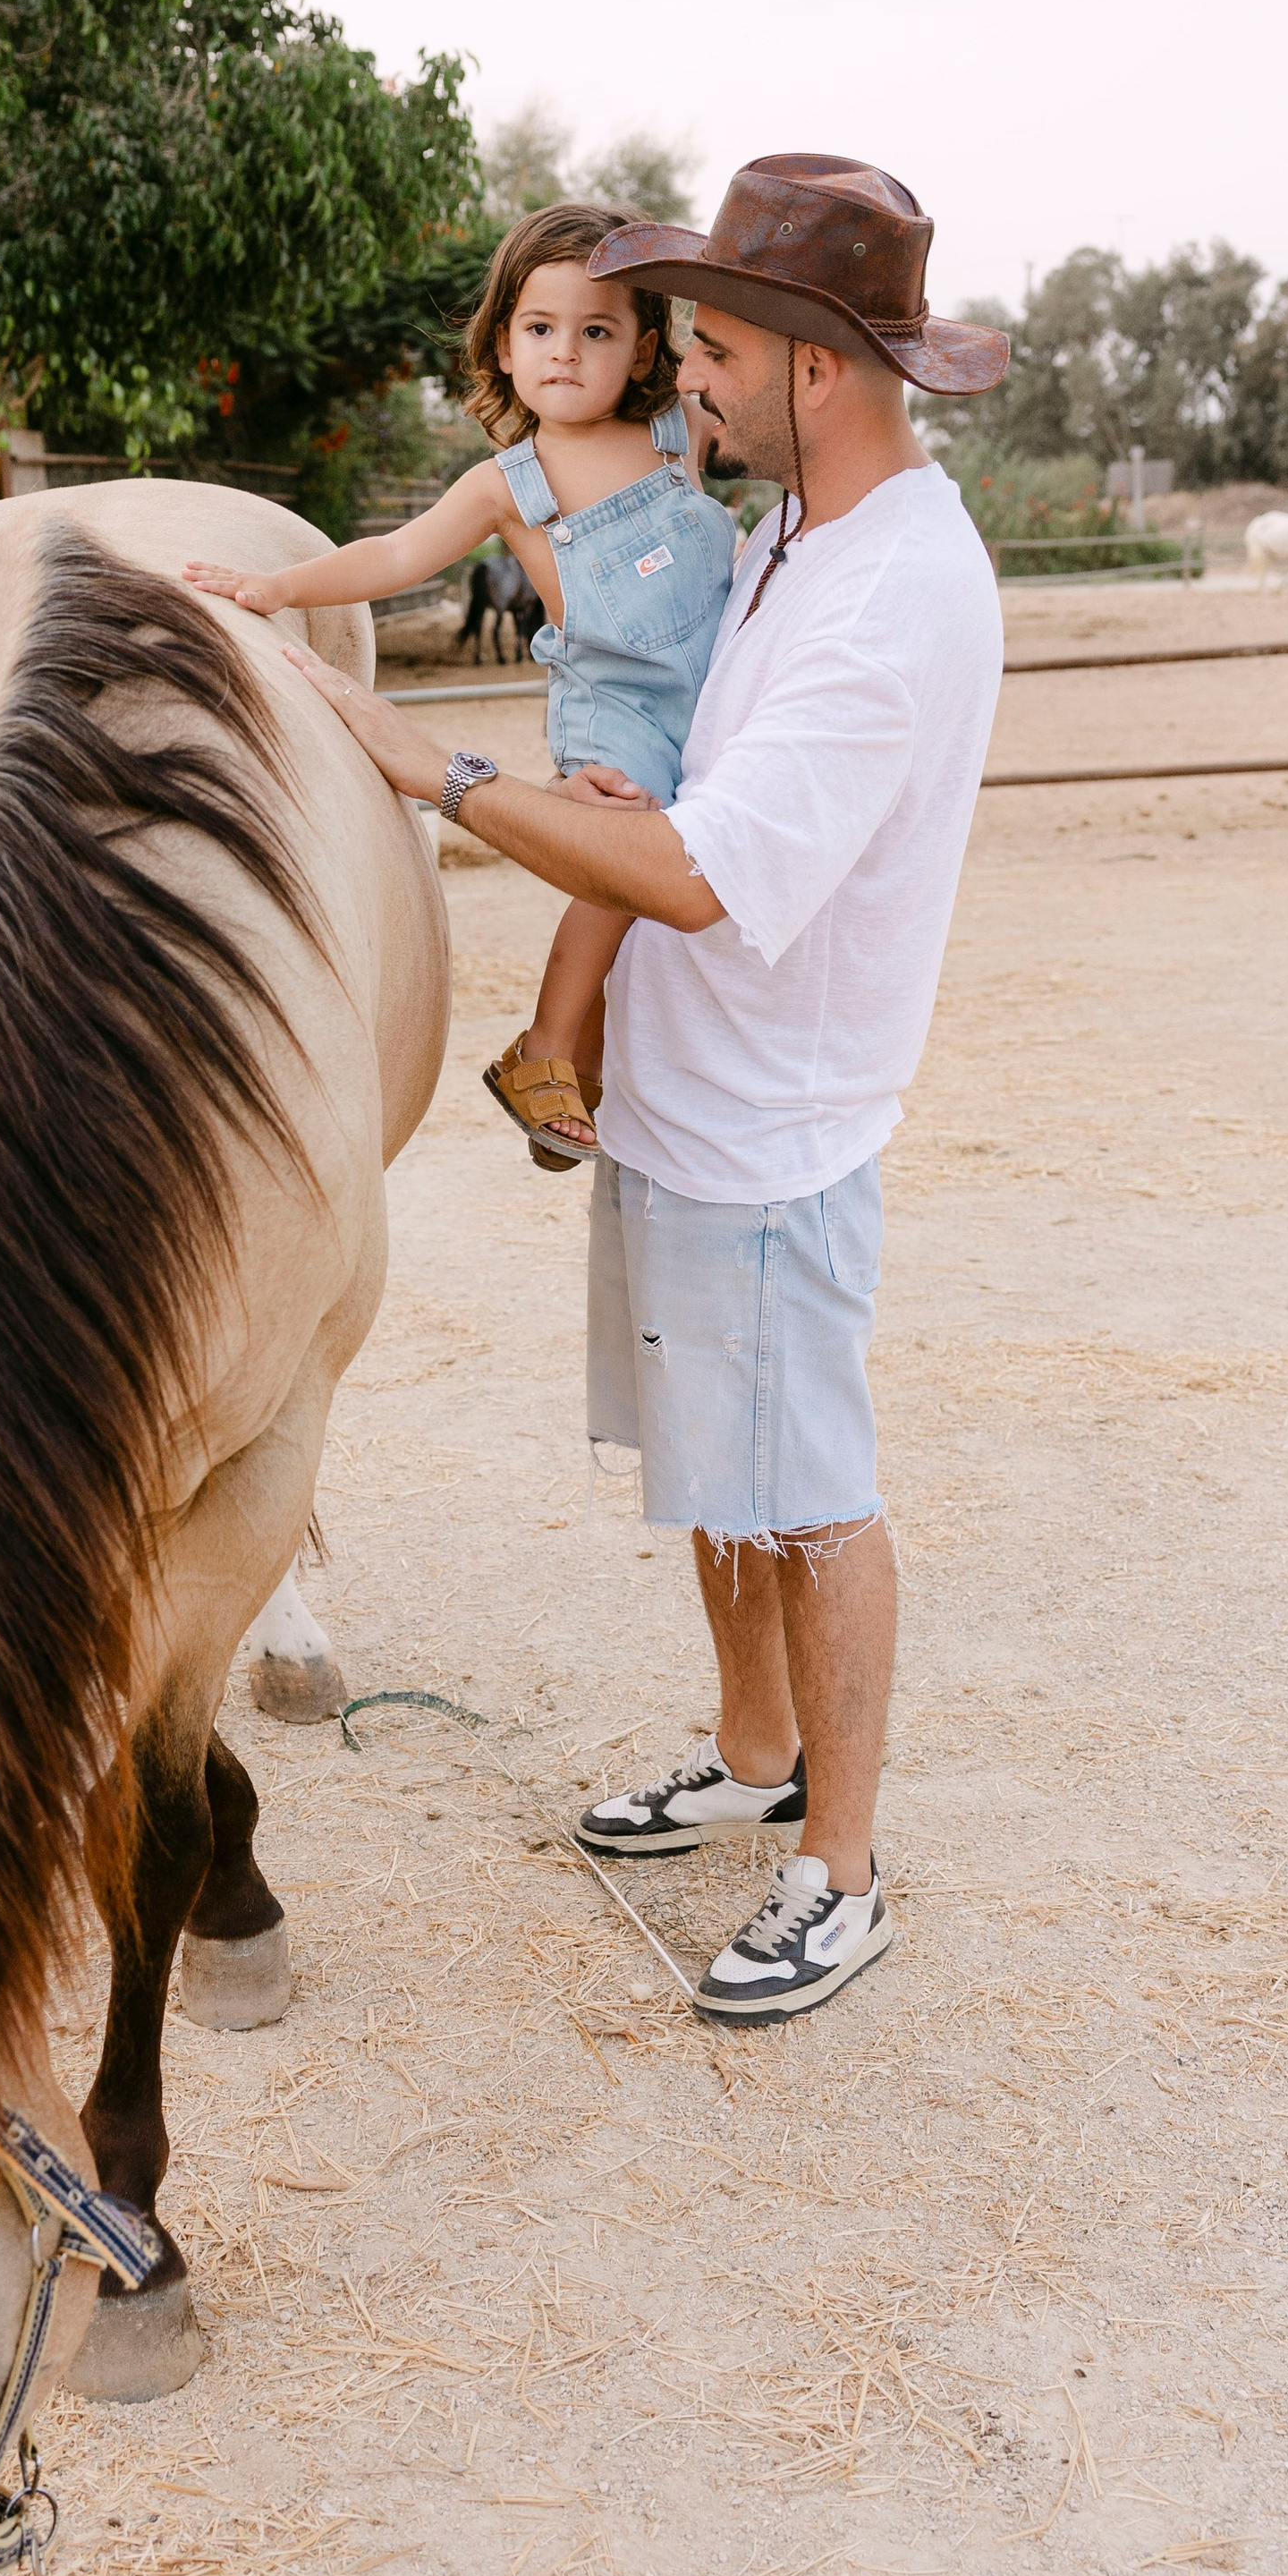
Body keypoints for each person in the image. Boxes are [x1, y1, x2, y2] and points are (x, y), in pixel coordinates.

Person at [279, 154, 1009, 2028]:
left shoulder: (889, 599)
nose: (676, 374)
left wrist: (424, 770)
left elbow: (703, 883)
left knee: (810, 1494)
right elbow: (693, 796)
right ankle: (749, 1751)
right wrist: (623, 798)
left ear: (812, 371)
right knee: (717, 1478)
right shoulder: (785, 535)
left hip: (769, 1121)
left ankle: (835, 1868)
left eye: (703, 349)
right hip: (686, 1095)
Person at [184, 201, 734, 1170]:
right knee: (615, 884)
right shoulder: (509, 484)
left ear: (645, 350)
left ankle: (598, 1064)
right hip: (622, 715)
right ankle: (546, 1053)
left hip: (719, 699)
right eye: (540, 330)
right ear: (504, 343)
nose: (565, 353)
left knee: (675, 907)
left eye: (595, 332)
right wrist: (277, 585)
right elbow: (396, 555)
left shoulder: (676, 429)